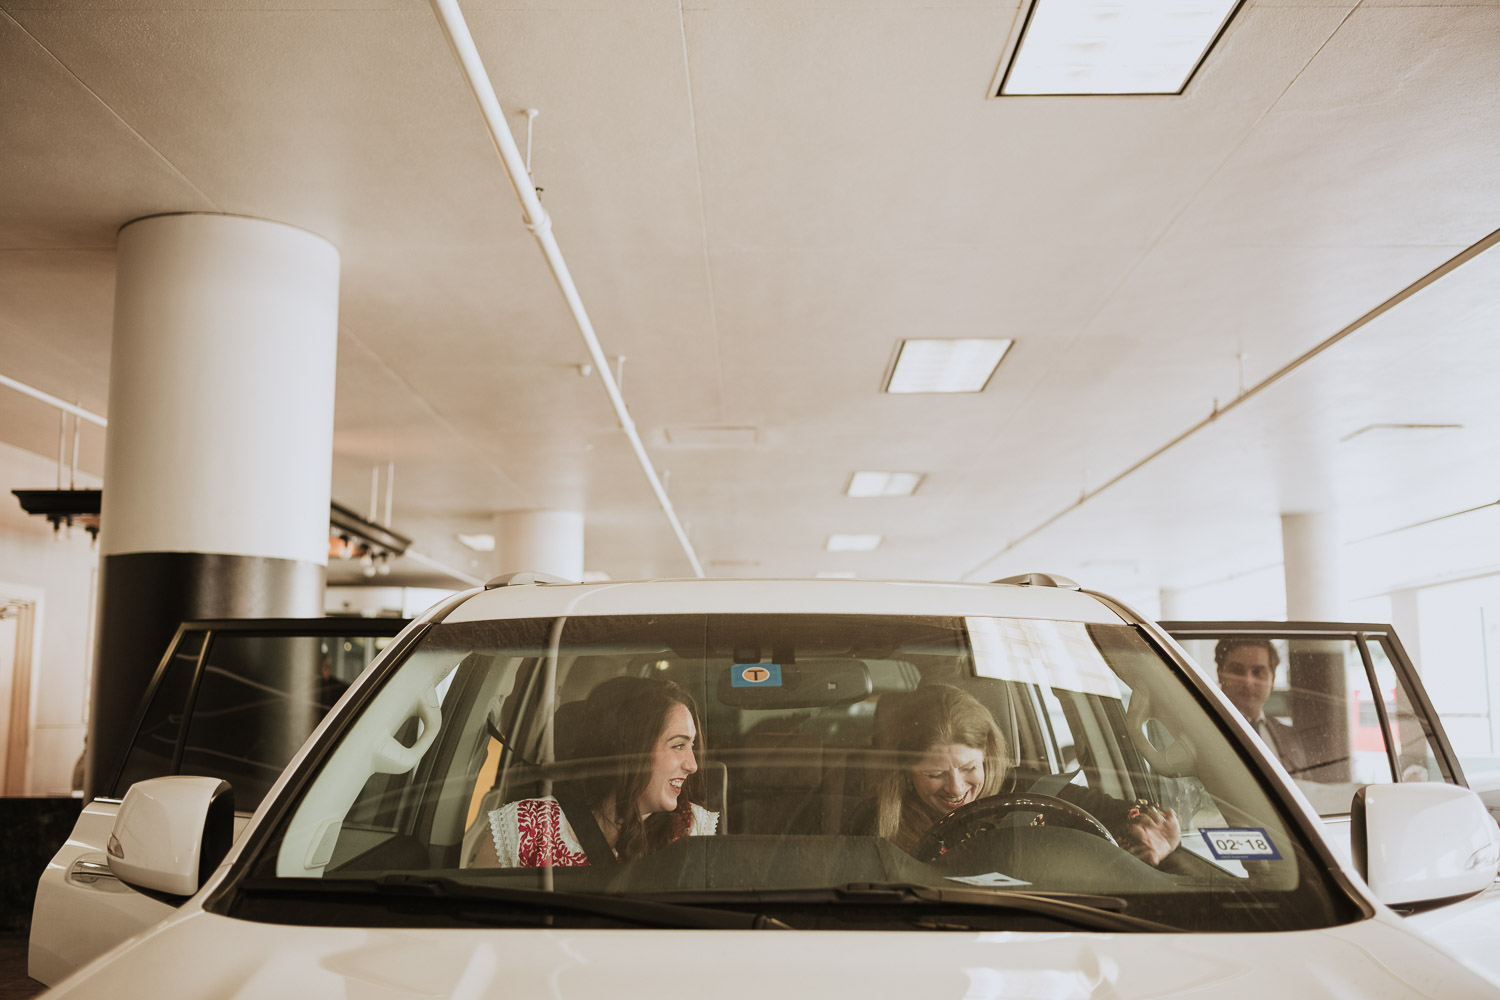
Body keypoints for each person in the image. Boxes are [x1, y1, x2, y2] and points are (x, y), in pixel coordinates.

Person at [873, 684, 1180, 866]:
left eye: (969, 768)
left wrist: (1153, 833)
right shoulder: (878, 818)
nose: (956, 787)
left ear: (988, 756)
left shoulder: (1031, 789)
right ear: (904, 770)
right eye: (935, 773)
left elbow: (1119, 813)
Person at [470, 676, 718, 867]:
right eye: (678, 745)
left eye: (691, 746)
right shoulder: (524, 830)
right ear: (630, 749)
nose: (692, 765)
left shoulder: (694, 831)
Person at [1214, 638, 1310, 773]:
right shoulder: (1205, 730)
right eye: (1237, 671)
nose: (1248, 682)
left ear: (1273, 679)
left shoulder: (1289, 736)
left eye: (1258, 672)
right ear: (1220, 674)